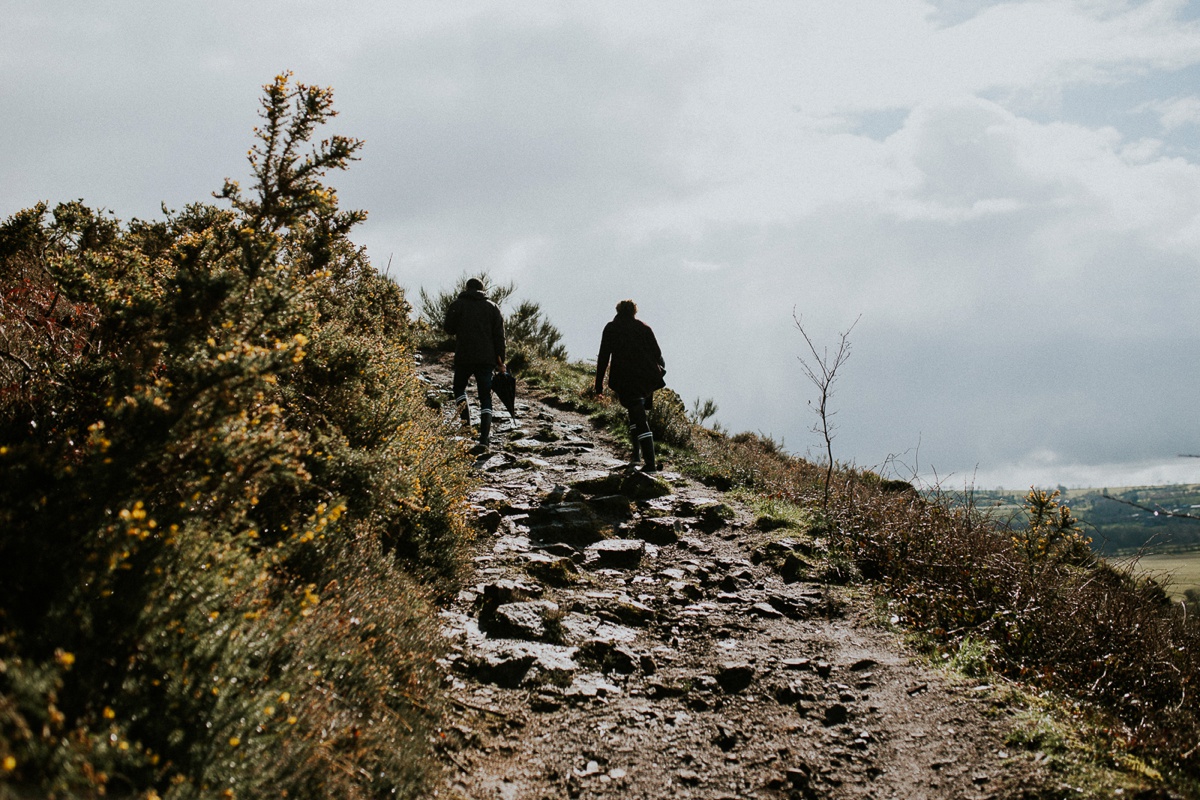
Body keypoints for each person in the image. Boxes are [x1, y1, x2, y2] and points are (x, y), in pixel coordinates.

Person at [594, 299, 665, 472]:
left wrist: (598, 386)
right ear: (634, 311)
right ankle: (637, 456)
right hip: (646, 378)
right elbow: (658, 354)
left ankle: (649, 464)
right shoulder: (644, 328)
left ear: (618, 311)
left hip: (626, 378)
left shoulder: (611, 328)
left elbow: (603, 358)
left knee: (638, 416)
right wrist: (660, 371)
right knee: (636, 412)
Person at [444, 277, 506, 450]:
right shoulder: (492, 307)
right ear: (483, 289)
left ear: (467, 288)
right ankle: (484, 440)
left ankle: (466, 429)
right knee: (485, 396)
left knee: (458, 388)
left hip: (464, 356)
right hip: (486, 359)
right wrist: (501, 361)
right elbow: (499, 336)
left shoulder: (458, 304)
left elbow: (448, 328)